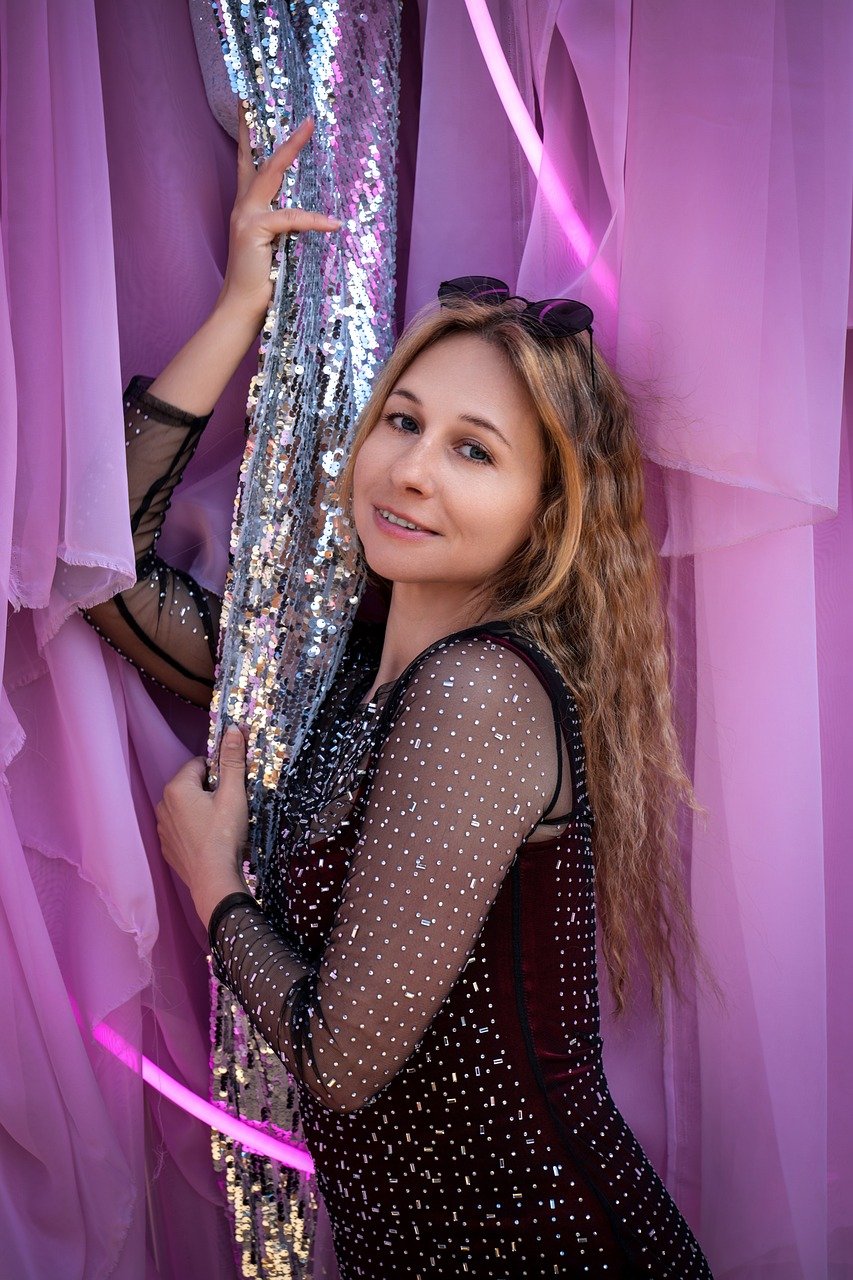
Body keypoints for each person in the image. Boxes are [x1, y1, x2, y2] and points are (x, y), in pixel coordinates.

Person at [83, 112, 714, 1279]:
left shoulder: (483, 692)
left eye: (475, 450)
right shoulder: (335, 678)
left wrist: (211, 880)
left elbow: (338, 1060)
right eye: (404, 421)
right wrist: (239, 306)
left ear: (545, 512)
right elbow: (100, 565)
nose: (413, 469)